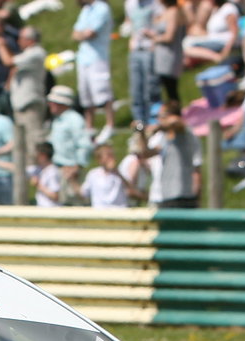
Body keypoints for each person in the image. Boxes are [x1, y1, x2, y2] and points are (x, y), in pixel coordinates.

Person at [71, 0, 117, 145]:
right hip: (83, 59)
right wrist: (82, 34)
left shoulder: (102, 8)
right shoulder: (86, 10)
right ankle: (89, 128)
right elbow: (75, 34)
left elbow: (91, 33)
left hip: (98, 57)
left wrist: (82, 34)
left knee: (103, 93)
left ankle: (110, 125)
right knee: (86, 96)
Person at [0, 26, 47, 152]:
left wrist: (1, 45)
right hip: (19, 105)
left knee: (33, 143)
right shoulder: (26, 55)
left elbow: (8, 61)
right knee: (21, 145)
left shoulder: (36, 52)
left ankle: (36, 164)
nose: (18, 41)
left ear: (30, 40)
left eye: (21, 38)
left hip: (30, 105)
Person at [147, 100, 200, 207]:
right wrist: (141, 134)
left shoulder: (185, 132)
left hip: (183, 195)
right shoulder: (164, 137)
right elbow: (147, 153)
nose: (158, 120)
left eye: (161, 116)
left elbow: (176, 121)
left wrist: (158, 128)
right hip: (166, 196)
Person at [125, 0, 159, 128]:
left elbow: (160, 23)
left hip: (149, 49)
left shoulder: (155, 4)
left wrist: (153, 41)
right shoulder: (130, 4)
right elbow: (131, 23)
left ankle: (153, 123)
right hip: (135, 50)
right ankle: (139, 125)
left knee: (150, 90)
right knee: (136, 90)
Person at [147, 0, 185, 106]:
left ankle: (176, 112)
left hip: (170, 55)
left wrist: (154, 38)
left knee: (171, 89)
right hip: (161, 55)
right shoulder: (165, 12)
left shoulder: (173, 12)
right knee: (166, 88)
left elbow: (169, 37)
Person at [81, 143, 141, 207]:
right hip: (100, 211)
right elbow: (83, 193)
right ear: (99, 159)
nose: (112, 158)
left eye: (112, 155)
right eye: (109, 155)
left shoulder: (121, 172)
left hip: (119, 211)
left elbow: (131, 191)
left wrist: (117, 173)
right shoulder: (93, 174)